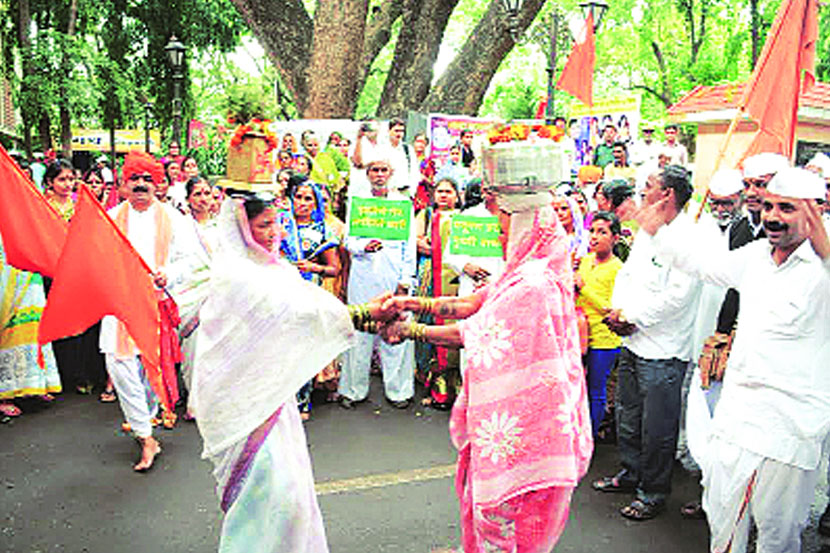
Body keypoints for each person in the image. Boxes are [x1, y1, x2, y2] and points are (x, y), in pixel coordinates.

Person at [380, 142, 592, 553]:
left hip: (528, 440)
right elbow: (469, 304)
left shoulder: (532, 284)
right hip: (531, 432)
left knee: (511, 533)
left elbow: (475, 332)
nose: (497, 234)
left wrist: (411, 332)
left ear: (526, 225)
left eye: (502, 226)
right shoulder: (528, 270)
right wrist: (412, 305)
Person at [636, 167, 830, 553]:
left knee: (777, 529)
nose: (772, 217)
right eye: (769, 206)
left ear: (817, 211)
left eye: (787, 208)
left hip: (790, 425)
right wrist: (658, 229)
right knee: (723, 512)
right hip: (738, 414)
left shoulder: (822, 268)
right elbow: (702, 266)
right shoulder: (757, 254)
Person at [190, 193, 396, 553]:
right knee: (268, 495)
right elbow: (301, 314)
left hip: (273, 397)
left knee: (293, 496)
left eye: (277, 223)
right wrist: (366, 313)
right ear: (241, 228)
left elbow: (309, 309)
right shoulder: (238, 274)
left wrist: (365, 316)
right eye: (263, 225)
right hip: (244, 404)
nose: (274, 233)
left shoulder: (274, 268)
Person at [593, 165, 701, 521]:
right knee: (628, 417)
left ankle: (652, 492)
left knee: (658, 428)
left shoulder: (687, 237)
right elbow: (628, 274)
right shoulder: (647, 229)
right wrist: (618, 312)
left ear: (667, 195)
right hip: (633, 342)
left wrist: (632, 318)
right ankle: (631, 473)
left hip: (664, 350)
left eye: (649, 186)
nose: (642, 190)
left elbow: (677, 298)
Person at [100, 151, 194, 471]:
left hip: (156, 301)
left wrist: (169, 272)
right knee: (118, 361)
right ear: (124, 185)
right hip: (121, 303)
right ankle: (145, 434)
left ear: (158, 185)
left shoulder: (174, 219)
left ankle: (146, 417)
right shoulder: (110, 219)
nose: (140, 185)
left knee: (151, 364)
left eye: (147, 179)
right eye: (134, 179)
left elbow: (189, 262)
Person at [339, 159, 416, 410]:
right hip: (362, 278)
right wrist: (363, 246)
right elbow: (348, 240)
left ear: (391, 173)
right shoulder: (358, 203)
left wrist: (405, 281)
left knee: (397, 332)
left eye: (384, 170)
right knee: (359, 333)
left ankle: (399, 391)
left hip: (394, 277)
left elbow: (410, 247)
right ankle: (353, 390)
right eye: (375, 170)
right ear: (368, 173)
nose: (379, 175)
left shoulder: (403, 205)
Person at [284, 179, 341, 419]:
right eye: (299, 197)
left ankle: (302, 401)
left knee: (304, 347)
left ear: (317, 203)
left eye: (309, 199)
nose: (303, 203)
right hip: (280, 293)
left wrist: (312, 268)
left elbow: (334, 269)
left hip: (308, 293)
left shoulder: (322, 231)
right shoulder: (279, 227)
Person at [414, 177, 462, 409]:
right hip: (429, 277)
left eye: (448, 192)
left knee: (454, 327)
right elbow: (416, 240)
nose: (443, 195)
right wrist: (422, 243)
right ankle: (432, 383)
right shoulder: (424, 215)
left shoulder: (466, 219)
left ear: (457, 195)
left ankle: (456, 386)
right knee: (429, 325)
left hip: (455, 279)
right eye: (440, 191)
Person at [0, 238, 62, 419]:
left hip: (24, 266)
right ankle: (4, 395)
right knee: (6, 326)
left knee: (32, 325)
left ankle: (35, 383)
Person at [575, 211, 623, 438]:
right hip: (579, 335)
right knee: (577, 389)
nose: (594, 237)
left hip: (604, 339)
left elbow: (611, 308)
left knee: (596, 390)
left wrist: (583, 288)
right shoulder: (583, 261)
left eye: (602, 232)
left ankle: (590, 437)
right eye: (592, 231)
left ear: (615, 237)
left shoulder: (618, 268)